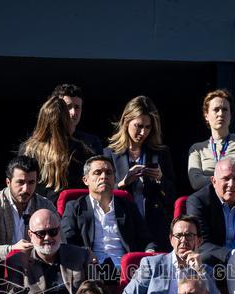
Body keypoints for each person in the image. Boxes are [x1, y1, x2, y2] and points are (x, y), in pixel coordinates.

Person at [61, 155, 154, 274]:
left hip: (127, 271)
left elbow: (146, 239)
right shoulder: (74, 207)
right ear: (86, 180)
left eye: (108, 173)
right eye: (97, 173)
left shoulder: (127, 206)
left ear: (114, 178)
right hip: (90, 271)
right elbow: (66, 241)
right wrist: (85, 252)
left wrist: (150, 253)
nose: (103, 177)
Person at [104, 95, 175, 247]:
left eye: (148, 127)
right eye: (138, 126)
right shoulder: (109, 154)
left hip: (155, 227)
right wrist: (122, 183)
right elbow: (100, 193)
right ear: (126, 122)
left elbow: (172, 196)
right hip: (121, 227)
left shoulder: (161, 153)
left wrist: (160, 179)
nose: (143, 132)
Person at [0, 155, 56, 260]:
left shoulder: (45, 206)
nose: (26, 189)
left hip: (36, 268)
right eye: (20, 182)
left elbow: (60, 242)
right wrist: (11, 249)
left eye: (31, 183)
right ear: (8, 182)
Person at [187, 89, 235, 192]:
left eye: (225, 109)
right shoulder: (197, 149)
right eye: (216, 109)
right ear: (206, 115)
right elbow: (196, 183)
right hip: (209, 203)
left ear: (230, 115)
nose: (221, 114)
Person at [20, 96, 96, 200]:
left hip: (35, 208)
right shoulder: (81, 149)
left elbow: (21, 184)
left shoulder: (27, 148)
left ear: (42, 119)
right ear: (66, 120)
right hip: (69, 209)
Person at [52, 83, 104, 157]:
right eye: (68, 107)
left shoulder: (92, 142)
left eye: (77, 107)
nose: (73, 112)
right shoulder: (41, 142)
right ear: (55, 108)